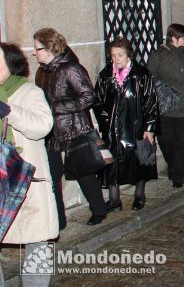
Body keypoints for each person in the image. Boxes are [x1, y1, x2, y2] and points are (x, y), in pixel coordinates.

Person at [32, 28, 107, 226]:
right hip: (52, 131)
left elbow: (89, 96)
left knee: (84, 172)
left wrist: (57, 107)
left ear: (49, 49)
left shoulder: (70, 68)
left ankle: (99, 209)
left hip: (75, 129)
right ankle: (58, 220)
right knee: (52, 175)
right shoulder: (42, 71)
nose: (33, 52)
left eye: (37, 48)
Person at [0, 43, 56, 286]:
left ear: (10, 64)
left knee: (36, 242)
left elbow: (42, 126)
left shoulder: (29, 92)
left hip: (25, 180)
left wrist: (8, 111)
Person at [93, 37, 158, 212]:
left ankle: (139, 195)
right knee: (112, 164)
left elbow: (151, 102)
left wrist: (149, 128)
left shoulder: (142, 74)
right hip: (113, 130)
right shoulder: (105, 75)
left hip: (136, 127)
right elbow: (98, 102)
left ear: (128, 54)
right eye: (113, 55)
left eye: (120, 55)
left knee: (139, 162)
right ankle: (114, 200)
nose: (116, 59)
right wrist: (106, 122)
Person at [147, 24, 184, 188]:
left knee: (181, 142)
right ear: (174, 38)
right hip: (166, 108)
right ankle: (174, 166)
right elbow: (151, 77)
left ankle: (178, 176)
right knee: (166, 141)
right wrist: (163, 94)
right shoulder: (158, 55)